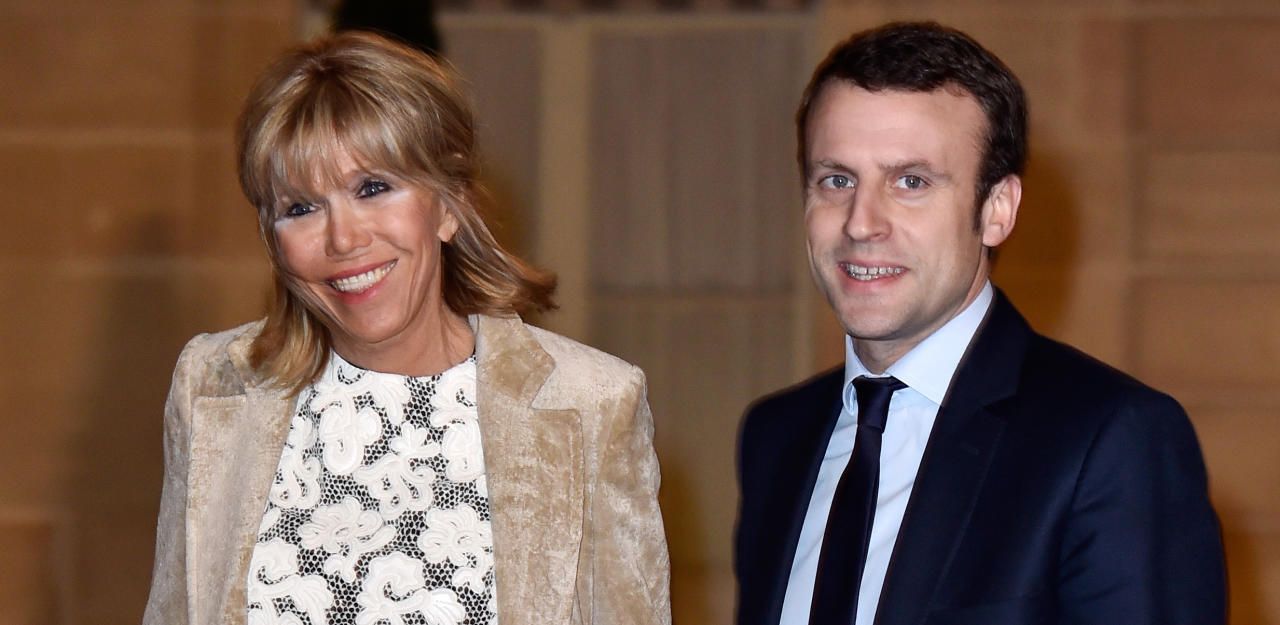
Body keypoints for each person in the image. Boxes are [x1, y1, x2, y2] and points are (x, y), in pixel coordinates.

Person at [142, 31, 670, 625]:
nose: (344, 239)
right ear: (274, 240)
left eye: (373, 188)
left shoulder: (592, 402)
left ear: (448, 205)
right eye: (301, 208)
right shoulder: (212, 386)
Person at [735, 21, 1225, 625]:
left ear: (997, 210)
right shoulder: (776, 437)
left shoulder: (1110, 441)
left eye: (910, 182)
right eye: (837, 180)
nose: (861, 223)